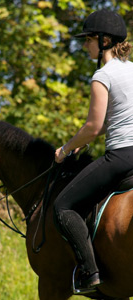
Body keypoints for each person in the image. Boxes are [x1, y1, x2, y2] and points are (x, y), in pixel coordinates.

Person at [53, 9, 133, 293]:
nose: (84, 44)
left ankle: (89, 274)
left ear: (104, 40)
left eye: (88, 39)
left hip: (122, 156)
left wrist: (66, 149)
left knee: (62, 206)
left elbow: (94, 126)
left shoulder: (103, 75)